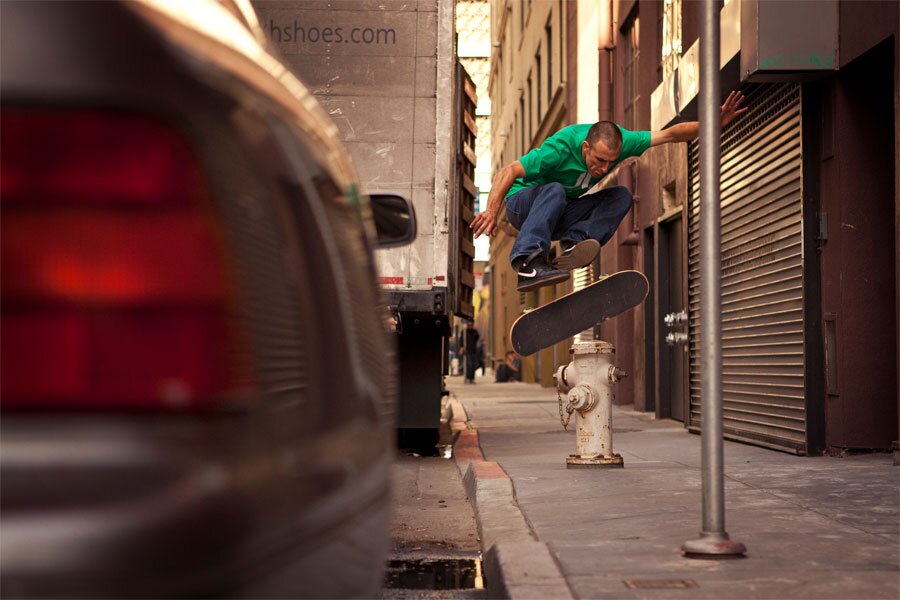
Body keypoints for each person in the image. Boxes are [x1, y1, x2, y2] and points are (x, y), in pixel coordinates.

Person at [471, 91, 747, 292]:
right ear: (586, 147)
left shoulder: (625, 142)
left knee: (621, 195)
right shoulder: (561, 147)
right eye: (599, 160)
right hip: (523, 206)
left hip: (558, 214)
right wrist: (492, 211)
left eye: (610, 162)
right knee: (555, 190)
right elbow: (509, 170)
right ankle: (527, 262)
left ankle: (575, 243)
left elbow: (670, 134)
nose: (603, 168)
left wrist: (712, 124)